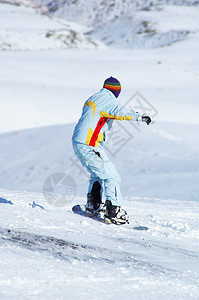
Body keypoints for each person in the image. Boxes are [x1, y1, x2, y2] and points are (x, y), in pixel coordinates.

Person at [72, 76, 153, 224]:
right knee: (112, 176)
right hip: (89, 144)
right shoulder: (108, 100)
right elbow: (120, 112)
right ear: (117, 92)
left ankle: (93, 206)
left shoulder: (94, 97)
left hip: (80, 142)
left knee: (97, 174)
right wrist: (140, 117)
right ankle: (113, 212)